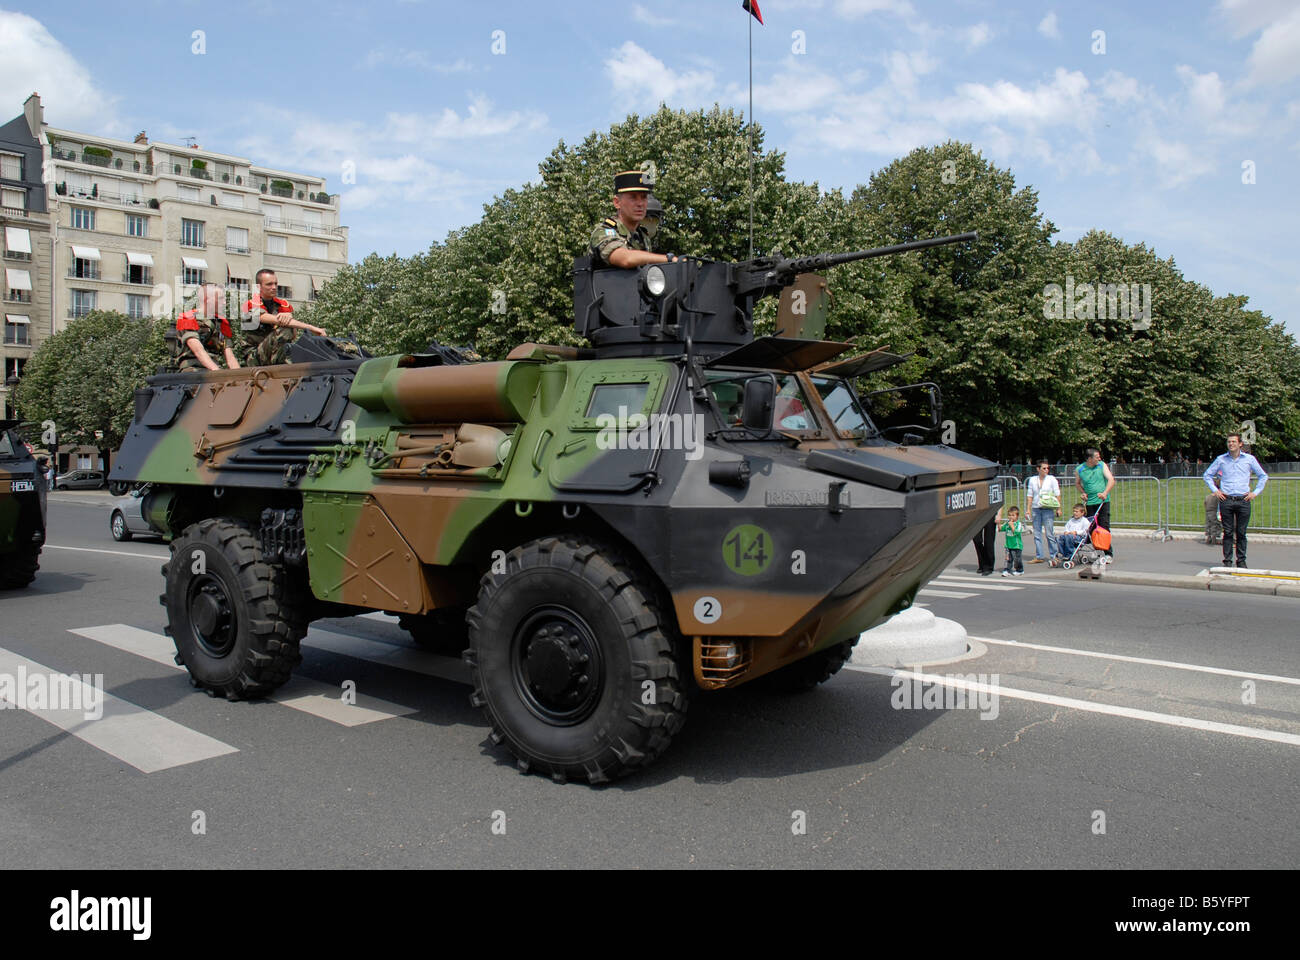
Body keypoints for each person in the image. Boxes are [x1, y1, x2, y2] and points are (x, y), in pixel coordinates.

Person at [1203, 433, 1268, 568]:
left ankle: (1241, 560)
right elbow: (1207, 475)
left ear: (1240, 444)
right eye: (1229, 442)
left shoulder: (1249, 459)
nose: (1231, 444)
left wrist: (1255, 493)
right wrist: (1215, 490)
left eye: (1233, 442)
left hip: (1243, 499)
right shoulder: (1221, 459)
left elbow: (1263, 476)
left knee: (1241, 532)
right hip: (1226, 499)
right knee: (1227, 532)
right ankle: (1227, 560)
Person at [589, 170, 676, 268]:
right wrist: (669, 259)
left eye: (643, 197)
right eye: (633, 197)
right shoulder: (604, 232)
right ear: (617, 203)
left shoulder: (642, 235)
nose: (640, 204)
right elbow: (626, 259)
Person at [242, 269, 325, 366]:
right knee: (285, 327)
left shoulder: (282, 305)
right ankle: (282, 366)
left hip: (276, 352)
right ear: (258, 287)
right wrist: (311, 328)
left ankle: (285, 364)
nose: (274, 287)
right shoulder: (250, 305)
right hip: (255, 358)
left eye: (275, 284)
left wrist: (290, 318)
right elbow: (275, 320)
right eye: (269, 284)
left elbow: (293, 335)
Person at [174, 283, 240, 372]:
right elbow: (198, 350)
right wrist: (217, 372)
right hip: (193, 369)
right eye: (220, 299)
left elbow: (230, 356)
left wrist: (240, 376)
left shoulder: (220, 323)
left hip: (214, 368)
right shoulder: (187, 319)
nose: (224, 302)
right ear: (207, 299)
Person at [1075, 447, 1115, 558]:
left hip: (1102, 501)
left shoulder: (1101, 465)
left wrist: (1105, 492)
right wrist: (1083, 493)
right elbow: (1077, 483)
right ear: (1089, 458)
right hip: (1089, 503)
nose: (1099, 458)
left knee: (1103, 526)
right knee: (1091, 528)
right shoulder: (1080, 469)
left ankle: (1108, 553)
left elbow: (1111, 480)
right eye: (1096, 457)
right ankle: (1097, 550)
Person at [1025, 459, 1061, 563]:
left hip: (1048, 508)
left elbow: (1057, 494)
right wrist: (1028, 509)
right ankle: (1039, 556)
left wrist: (1058, 508)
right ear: (1038, 469)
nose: (1046, 470)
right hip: (1036, 508)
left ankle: (1054, 555)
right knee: (1037, 533)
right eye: (1044, 468)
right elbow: (1030, 495)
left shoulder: (1052, 479)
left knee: (1049, 533)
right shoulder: (1032, 480)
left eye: (1047, 468)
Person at [998, 506, 1026, 577]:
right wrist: (998, 523)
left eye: (1013, 515)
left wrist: (1012, 526)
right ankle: (1007, 570)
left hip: (1016, 545)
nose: (1011, 517)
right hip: (1008, 545)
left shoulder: (1018, 524)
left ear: (1017, 516)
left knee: (1017, 559)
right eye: (1009, 515)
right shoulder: (1007, 523)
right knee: (1008, 559)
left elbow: (1016, 532)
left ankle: (1020, 570)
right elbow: (1001, 529)